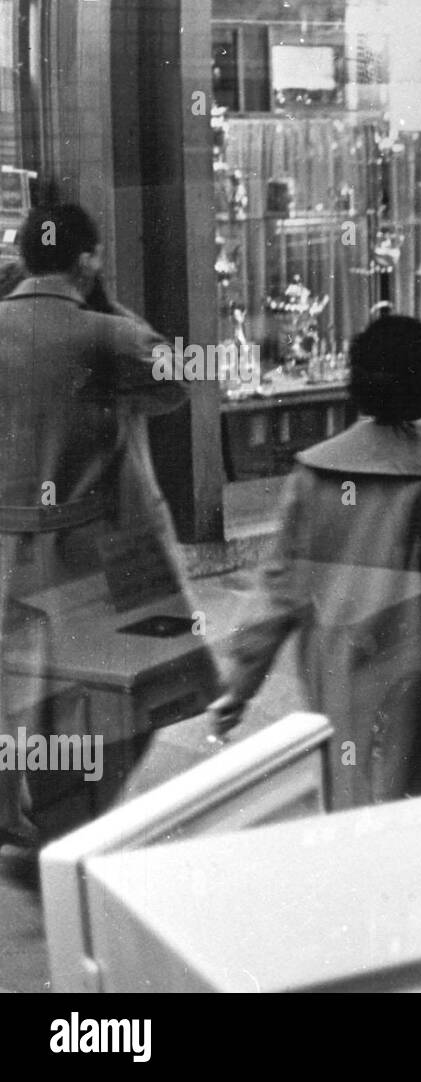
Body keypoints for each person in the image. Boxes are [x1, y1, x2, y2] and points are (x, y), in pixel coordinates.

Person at [209, 316, 421, 809]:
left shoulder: (312, 471)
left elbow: (278, 586)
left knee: (350, 797)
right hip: (418, 678)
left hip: (336, 670)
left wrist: (237, 687)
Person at [0, 203, 198, 853]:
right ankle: (72, 821)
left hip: (5, 546)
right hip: (85, 550)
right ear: (87, 260)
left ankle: (20, 803)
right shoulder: (103, 335)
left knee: (17, 689)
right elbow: (174, 384)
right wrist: (112, 308)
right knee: (107, 692)